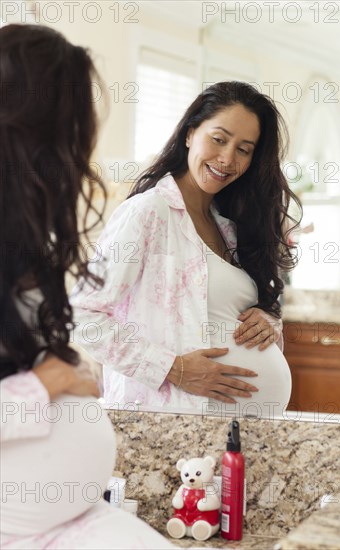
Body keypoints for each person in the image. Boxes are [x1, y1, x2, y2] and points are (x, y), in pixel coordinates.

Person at [0, 23, 176, 549]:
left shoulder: (24, 236)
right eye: (76, 118)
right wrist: (51, 382)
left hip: (66, 520)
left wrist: (66, 372)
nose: (86, 139)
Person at [71, 81, 302, 417]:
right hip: (172, 427)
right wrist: (173, 368)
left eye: (244, 149)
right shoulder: (148, 213)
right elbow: (82, 316)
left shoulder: (227, 225)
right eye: (219, 139)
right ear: (190, 133)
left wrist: (267, 321)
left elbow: (221, 310)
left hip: (243, 436)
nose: (227, 158)